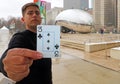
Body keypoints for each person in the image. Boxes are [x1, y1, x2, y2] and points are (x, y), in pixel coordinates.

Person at [0, 2, 52, 84]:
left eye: (37, 13)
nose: (34, 15)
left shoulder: (46, 38)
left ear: (41, 18)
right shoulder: (20, 37)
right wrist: (6, 66)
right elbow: (9, 55)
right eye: (30, 13)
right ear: (23, 19)